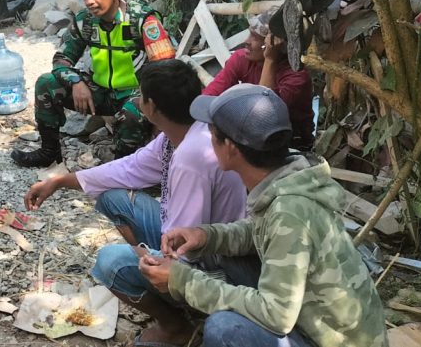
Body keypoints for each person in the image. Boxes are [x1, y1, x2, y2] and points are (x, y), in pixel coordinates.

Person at [139, 84, 387, 347]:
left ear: (231, 147)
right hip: (316, 324)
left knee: (225, 330)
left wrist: (183, 280)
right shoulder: (288, 179)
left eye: (211, 134)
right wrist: (206, 235)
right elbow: (260, 230)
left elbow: (276, 315)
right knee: (218, 252)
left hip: (326, 340)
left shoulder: (289, 212)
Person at [23, 59, 247, 346]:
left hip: (214, 260)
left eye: (141, 96)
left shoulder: (192, 157)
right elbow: (128, 168)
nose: (138, 101)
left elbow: (184, 245)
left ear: (151, 107)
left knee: (110, 263)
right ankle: (160, 290)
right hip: (194, 238)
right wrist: (59, 181)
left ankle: (177, 324)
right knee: (113, 198)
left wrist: (142, 256)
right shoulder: (180, 133)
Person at [10, 0, 175, 167]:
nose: (89, 2)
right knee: (46, 83)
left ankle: (123, 168)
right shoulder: (85, 21)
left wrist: (148, 101)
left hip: (135, 92)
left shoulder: (142, 20)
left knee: (132, 111)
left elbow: (165, 69)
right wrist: (76, 81)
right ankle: (49, 153)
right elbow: (61, 60)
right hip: (100, 93)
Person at [202, 8, 314, 149]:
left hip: (290, 145)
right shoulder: (241, 59)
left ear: (275, 44)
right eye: (250, 34)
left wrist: (270, 60)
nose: (246, 41)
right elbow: (208, 97)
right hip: (250, 136)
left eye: (255, 37)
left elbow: (264, 118)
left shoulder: (297, 77)